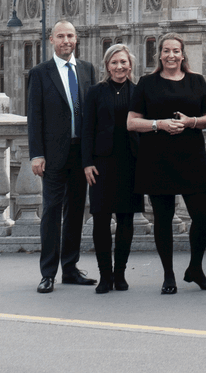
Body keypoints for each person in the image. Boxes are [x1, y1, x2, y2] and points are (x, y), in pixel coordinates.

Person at [127, 33, 206, 294]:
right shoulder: (147, 83)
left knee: (201, 215)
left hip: (191, 157)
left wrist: (191, 122)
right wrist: (160, 124)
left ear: (182, 54)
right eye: (166, 51)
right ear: (160, 55)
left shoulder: (196, 81)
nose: (171, 56)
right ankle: (168, 275)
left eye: (175, 51)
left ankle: (195, 269)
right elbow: (132, 122)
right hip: (158, 159)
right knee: (163, 220)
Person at [26, 20, 97, 293]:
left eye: (70, 36)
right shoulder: (40, 73)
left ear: (76, 39)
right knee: (52, 213)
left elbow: (91, 112)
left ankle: (70, 269)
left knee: (77, 212)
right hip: (53, 155)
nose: (66, 40)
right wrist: (37, 154)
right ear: (51, 40)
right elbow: (34, 118)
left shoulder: (87, 69)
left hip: (81, 153)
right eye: (60, 36)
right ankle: (48, 273)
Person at [81, 43, 141, 294]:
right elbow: (87, 130)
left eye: (124, 62)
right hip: (101, 164)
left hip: (131, 162)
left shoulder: (139, 92)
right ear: (107, 66)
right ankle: (105, 275)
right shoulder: (95, 92)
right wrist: (87, 162)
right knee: (101, 220)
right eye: (115, 62)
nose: (120, 67)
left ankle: (120, 273)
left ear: (131, 65)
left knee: (126, 220)